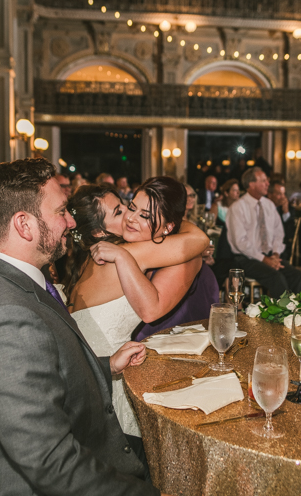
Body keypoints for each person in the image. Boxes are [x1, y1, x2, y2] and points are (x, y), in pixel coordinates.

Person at [0, 159, 163, 496]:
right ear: (24, 225)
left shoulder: (16, 280)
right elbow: (52, 465)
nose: (72, 221)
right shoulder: (2, 321)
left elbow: (39, 377)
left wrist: (106, 367)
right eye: (62, 211)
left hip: (85, 443)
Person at [66, 179, 211, 439]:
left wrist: (170, 223)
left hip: (86, 372)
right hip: (106, 376)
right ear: (99, 232)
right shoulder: (127, 252)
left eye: (134, 210)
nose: (130, 217)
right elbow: (199, 240)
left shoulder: (94, 255)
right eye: (124, 210)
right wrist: (170, 224)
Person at [226, 168, 301, 298]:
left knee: (298, 276)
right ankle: (284, 316)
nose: (267, 184)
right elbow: (240, 242)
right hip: (246, 259)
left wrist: (275, 254)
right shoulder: (237, 208)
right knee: (277, 278)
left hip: (270, 256)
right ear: (251, 184)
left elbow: (278, 233)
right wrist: (264, 259)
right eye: (264, 181)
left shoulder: (269, 205)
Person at [267, 180, 296, 261]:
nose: (283, 197)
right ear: (269, 195)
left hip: (282, 248)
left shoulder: (290, 210)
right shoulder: (264, 208)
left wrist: (285, 213)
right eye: (279, 194)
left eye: (284, 194)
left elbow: (290, 234)